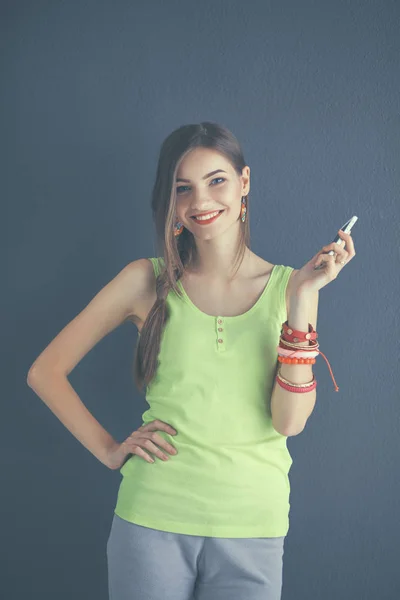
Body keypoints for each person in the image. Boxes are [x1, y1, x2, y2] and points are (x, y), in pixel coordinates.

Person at [27, 122, 355, 600]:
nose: (201, 201)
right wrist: (110, 450)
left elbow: (289, 422)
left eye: (216, 180)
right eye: (184, 188)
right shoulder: (146, 280)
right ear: (172, 201)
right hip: (151, 520)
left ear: (244, 183)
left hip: (254, 525)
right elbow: (45, 372)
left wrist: (305, 296)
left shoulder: (292, 286)